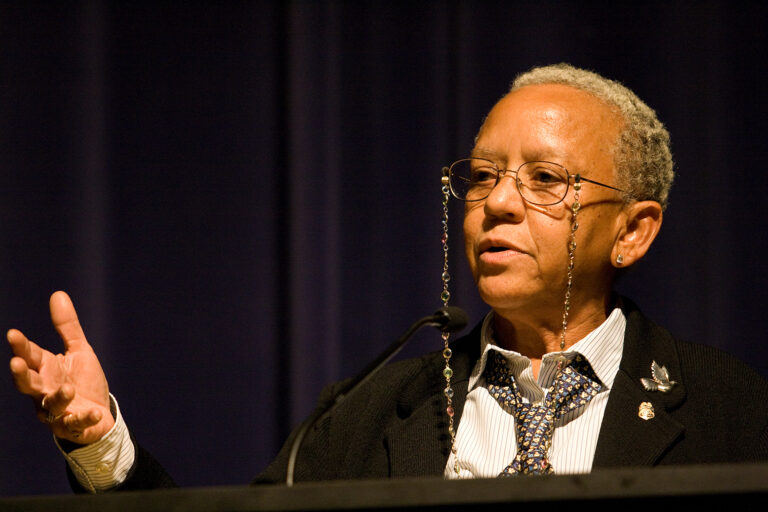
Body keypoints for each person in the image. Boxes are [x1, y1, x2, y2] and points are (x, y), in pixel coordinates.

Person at [8, 64, 768, 491]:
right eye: (482, 176)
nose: (496, 202)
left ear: (633, 231)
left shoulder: (732, 413)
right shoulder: (374, 411)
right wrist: (104, 440)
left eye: (543, 178)